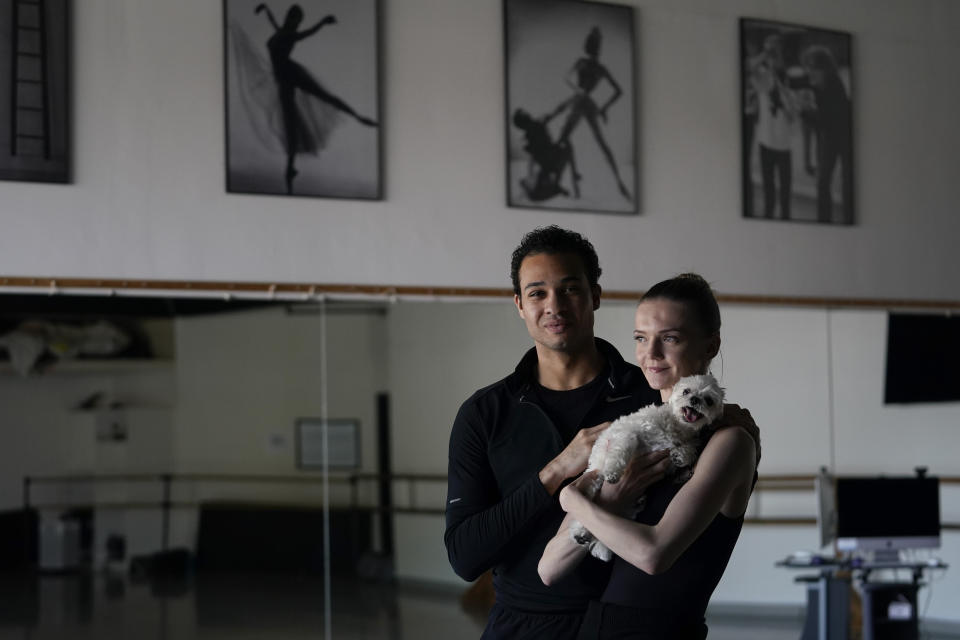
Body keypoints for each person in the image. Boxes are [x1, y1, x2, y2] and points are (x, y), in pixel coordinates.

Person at [444, 227, 757, 639]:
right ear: (520, 305)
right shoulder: (485, 413)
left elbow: (676, 535)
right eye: (537, 293)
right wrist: (555, 474)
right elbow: (467, 558)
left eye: (569, 289)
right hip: (522, 624)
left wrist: (731, 428)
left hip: (624, 622)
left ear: (595, 295)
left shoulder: (653, 397)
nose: (554, 305)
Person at [538, 274, 760, 640]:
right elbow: (548, 568)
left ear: (711, 345)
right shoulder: (634, 433)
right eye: (641, 338)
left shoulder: (731, 441)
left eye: (669, 338)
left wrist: (573, 500)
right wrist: (609, 500)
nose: (650, 354)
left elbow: (654, 556)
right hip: (597, 627)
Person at [253, 3, 377, 194]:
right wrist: (266, 9)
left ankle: (358, 116)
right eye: (292, 16)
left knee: (323, 97)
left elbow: (308, 32)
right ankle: (290, 169)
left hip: (291, 73)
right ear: (288, 17)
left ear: (297, 22)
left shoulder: (291, 35)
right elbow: (275, 24)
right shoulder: (281, 31)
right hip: (283, 81)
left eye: (296, 19)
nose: (293, 20)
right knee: (291, 124)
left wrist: (323, 22)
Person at [554, 27, 631, 201]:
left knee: (565, 139)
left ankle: (617, 184)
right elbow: (618, 91)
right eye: (597, 44)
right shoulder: (596, 67)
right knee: (589, 143)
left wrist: (581, 92)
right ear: (596, 47)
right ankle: (616, 184)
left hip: (582, 102)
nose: (597, 48)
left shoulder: (586, 64)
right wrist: (603, 108)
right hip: (584, 102)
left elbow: (566, 77)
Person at [800, 45, 853, 224]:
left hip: (844, 136)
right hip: (828, 136)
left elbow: (825, 120)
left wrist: (805, 111)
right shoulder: (815, 85)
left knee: (847, 184)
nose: (810, 71)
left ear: (825, 68)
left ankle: (846, 219)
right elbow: (815, 125)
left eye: (814, 67)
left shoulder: (834, 85)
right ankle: (824, 221)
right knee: (822, 183)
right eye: (808, 67)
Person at [748, 34, 798, 219]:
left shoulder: (790, 76)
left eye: (777, 50)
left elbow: (795, 112)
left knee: (785, 199)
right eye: (771, 50)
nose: (774, 54)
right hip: (766, 142)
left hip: (785, 144)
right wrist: (765, 54)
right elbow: (748, 68)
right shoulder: (763, 76)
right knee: (769, 197)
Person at [512, 106, 580, 202]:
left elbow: (535, 147)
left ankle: (551, 185)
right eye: (525, 114)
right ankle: (552, 186)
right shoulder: (534, 127)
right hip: (548, 157)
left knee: (549, 168)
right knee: (563, 153)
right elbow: (541, 145)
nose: (528, 113)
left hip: (546, 157)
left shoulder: (532, 129)